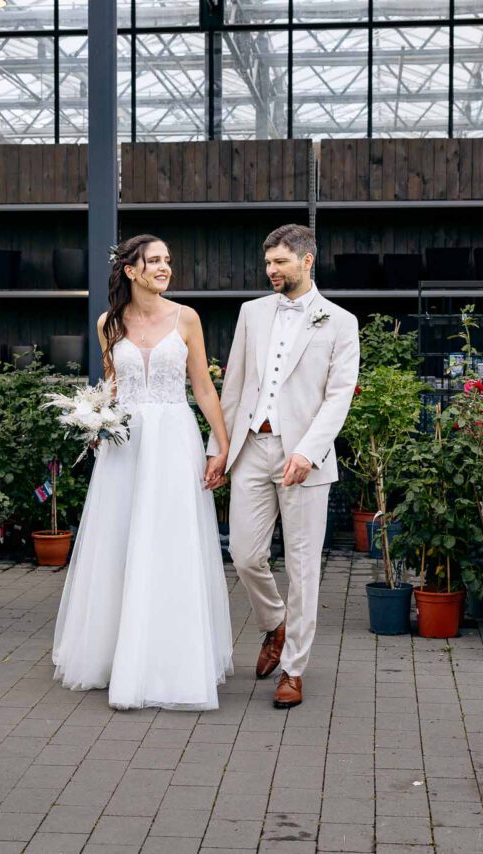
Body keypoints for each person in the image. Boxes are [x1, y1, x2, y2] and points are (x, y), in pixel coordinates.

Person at [51, 234, 234, 711]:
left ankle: (173, 658)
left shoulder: (187, 318)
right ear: (130, 270)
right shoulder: (108, 323)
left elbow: (204, 389)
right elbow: (112, 386)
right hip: (126, 445)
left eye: (168, 260)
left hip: (174, 440)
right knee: (120, 540)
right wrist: (94, 421)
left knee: (172, 542)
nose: (164, 267)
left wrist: (222, 446)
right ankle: (117, 654)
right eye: (154, 261)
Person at [207, 224, 360, 709]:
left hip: (305, 458)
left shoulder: (340, 322)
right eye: (268, 263)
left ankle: (294, 669)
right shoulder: (251, 313)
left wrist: (308, 451)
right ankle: (275, 623)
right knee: (245, 555)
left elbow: (338, 398)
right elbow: (234, 386)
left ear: (307, 260)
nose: (271, 270)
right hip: (252, 447)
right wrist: (218, 447)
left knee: (302, 566)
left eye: (280, 262)